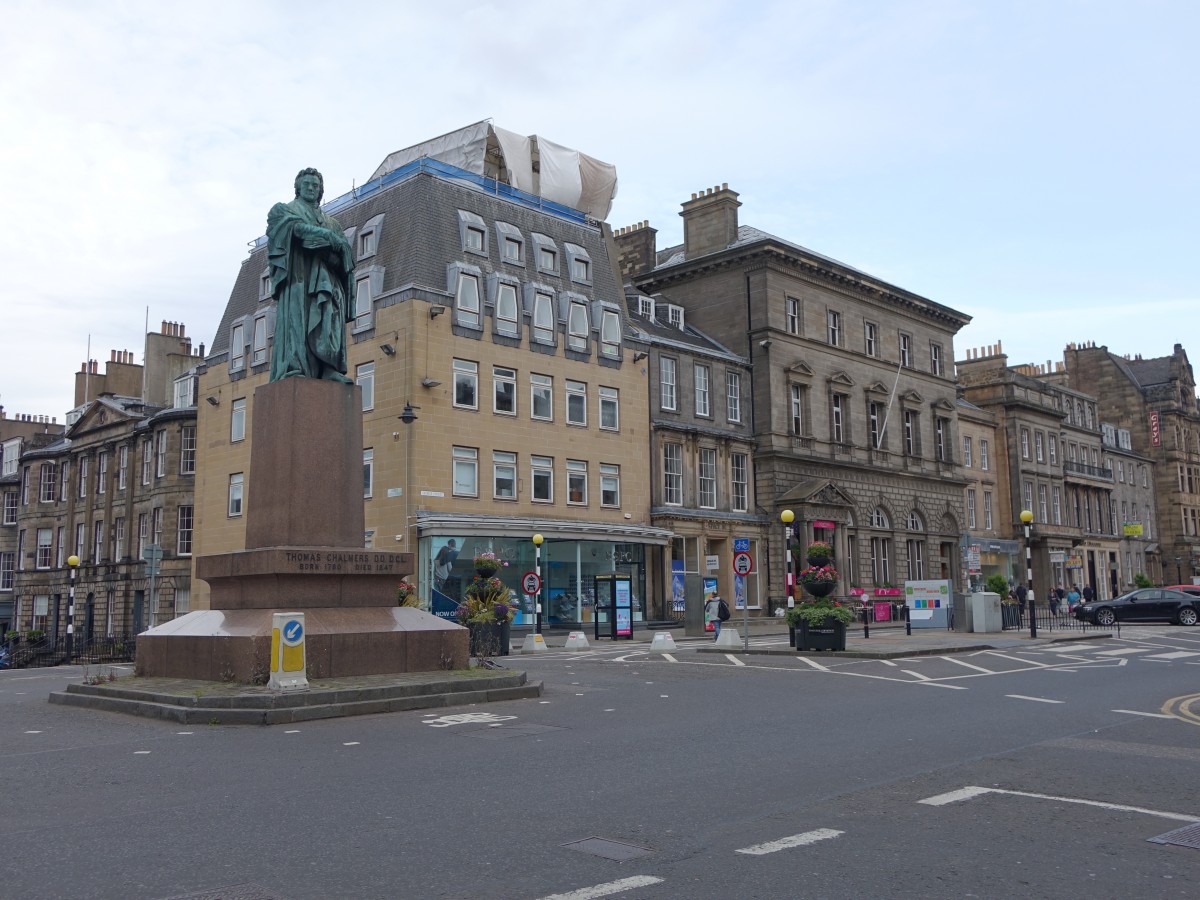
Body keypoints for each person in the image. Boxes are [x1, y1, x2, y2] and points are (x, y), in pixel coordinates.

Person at [267, 168, 356, 383]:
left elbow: (345, 254)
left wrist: (334, 250)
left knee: (329, 322)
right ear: (297, 187)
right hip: (299, 279)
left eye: (315, 185)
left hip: (328, 280)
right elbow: (295, 230)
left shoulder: (333, 223)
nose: (311, 188)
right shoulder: (284, 210)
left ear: (321, 190)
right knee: (298, 323)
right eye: (306, 184)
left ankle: (329, 368)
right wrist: (325, 237)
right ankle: (295, 367)